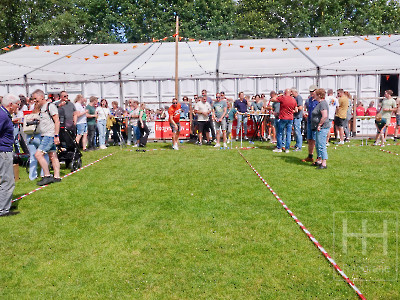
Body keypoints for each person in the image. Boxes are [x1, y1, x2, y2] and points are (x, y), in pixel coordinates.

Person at [32, 89, 61, 186]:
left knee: (38, 155)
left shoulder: (50, 106)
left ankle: (47, 176)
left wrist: (56, 135)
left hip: (49, 135)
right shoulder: (42, 108)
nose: (35, 101)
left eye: (36, 98)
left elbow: (57, 120)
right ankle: (57, 177)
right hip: (46, 134)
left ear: (41, 96)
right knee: (52, 155)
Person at [0, 94, 21, 217]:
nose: (18, 106)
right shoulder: (2, 115)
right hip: (3, 151)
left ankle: (4, 203)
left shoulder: (4, 114)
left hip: (3, 150)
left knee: (5, 180)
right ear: (10, 105)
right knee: (7, 181)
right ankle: (3, 210)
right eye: (17, 104)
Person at [25, 103, 49, 180]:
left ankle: (32, 176)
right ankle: (44, 173)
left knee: (32, 156)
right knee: (44, 155)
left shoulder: (30, 115)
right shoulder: (42, 115)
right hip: (39, 136)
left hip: (29, 136)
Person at [270, 89, 297, 153]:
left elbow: (272, 99)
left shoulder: (283, 98)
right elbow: (296, 110)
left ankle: (279, 147)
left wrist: (279, 95)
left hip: (283, 118)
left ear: (285, 93)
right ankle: (287, 148)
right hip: (290, 118)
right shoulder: (293, 99)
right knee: (288, 134)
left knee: (279, 133)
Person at [311, 89, 330, 169]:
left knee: (321, 145)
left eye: (314, 94)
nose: (313, 95)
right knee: (318, 144)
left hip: (322, 127)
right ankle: (319, 160)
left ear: (319, 95)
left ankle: (324, 163)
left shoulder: (323, 104)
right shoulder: (320, 103)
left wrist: (319, 124)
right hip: (318, 127)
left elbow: (324, 115)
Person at [302, 85, 319, 162]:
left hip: (317, 123)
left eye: (313, 91)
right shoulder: (308, 100)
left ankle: (319, 158)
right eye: (310, 91)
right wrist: (304, 112)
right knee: (310, 139)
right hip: (309, 122)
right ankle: (310, 156)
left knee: (317, 140)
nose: (311, 93)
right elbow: (305, 108)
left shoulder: (319, 101)